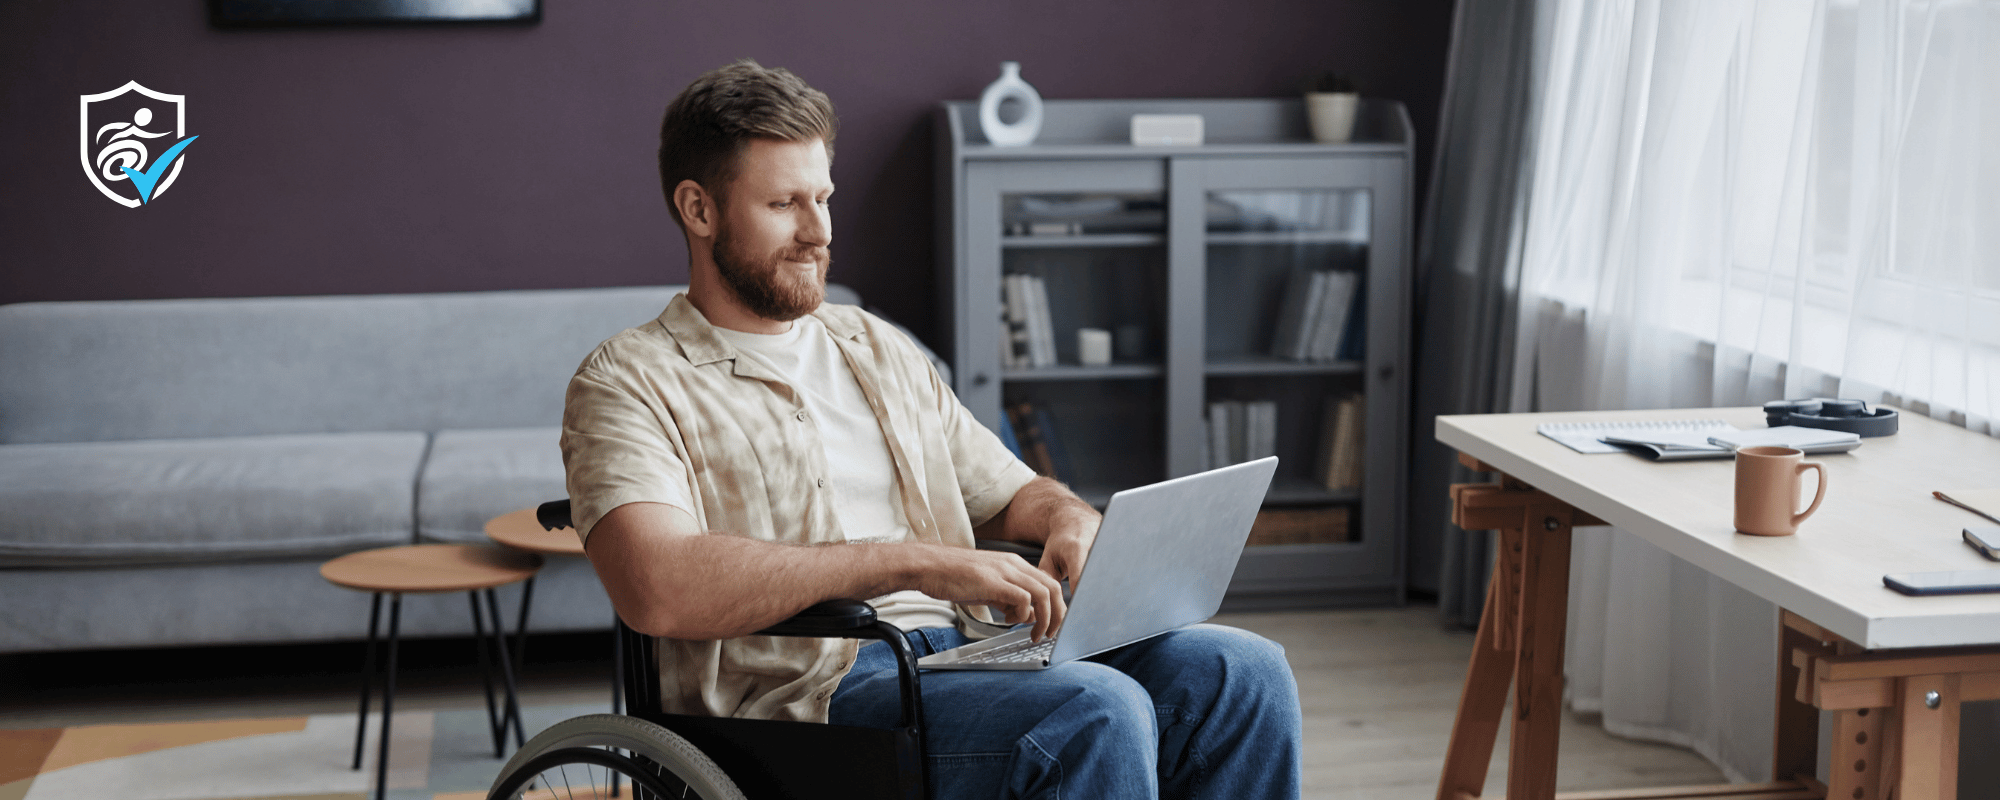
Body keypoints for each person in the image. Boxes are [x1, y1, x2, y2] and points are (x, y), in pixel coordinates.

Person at [560, 59, 1302, 799]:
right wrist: (911, 563)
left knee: (1241, 674)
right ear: (698, 210)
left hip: (976, 651)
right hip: (807, 706)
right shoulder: (629, 381)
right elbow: (658, 587)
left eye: (823, 197)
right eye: (785, 204)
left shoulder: (875, 347)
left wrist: (1070, 519)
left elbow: (1013, 492)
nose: (818, 232)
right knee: (1093, 713)